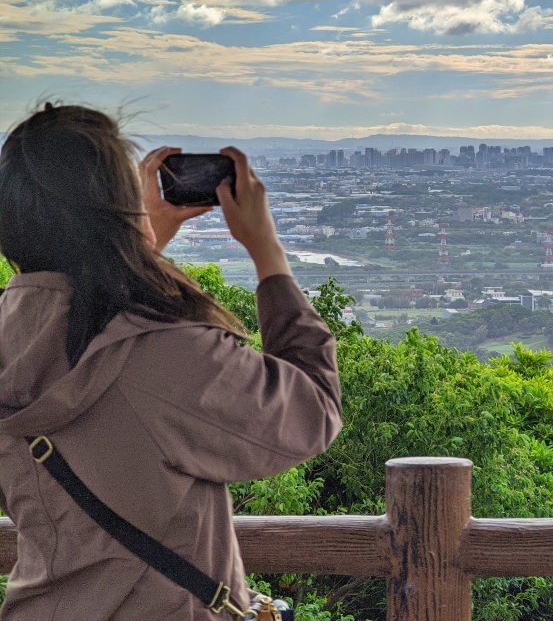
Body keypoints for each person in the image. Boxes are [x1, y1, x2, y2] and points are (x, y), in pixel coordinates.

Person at [0, 103, 342, 619]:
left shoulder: (9, 336)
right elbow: (310, 413)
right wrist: (268, 254)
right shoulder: (165, 351)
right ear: (118, 207)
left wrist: (138, 250)